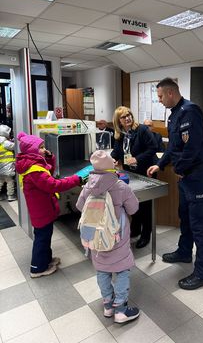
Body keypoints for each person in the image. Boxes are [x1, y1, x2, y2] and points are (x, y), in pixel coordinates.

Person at [147, 78, 203, 290]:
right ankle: (184, 252)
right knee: (185, 217)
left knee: (201, 226)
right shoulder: (175, 114)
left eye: (159, 96)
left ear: (170, 93)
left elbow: (191, 149)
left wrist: (179, 169)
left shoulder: (189, 111)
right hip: (186, 177)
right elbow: (174, 146)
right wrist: (160, 164)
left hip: (198, 177)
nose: (159, 101)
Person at [76, 150, 140, 323]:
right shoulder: (120, 186)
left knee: (102, 271)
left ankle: (108, 306)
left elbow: (79, 206)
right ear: (111, 166)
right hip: (116, 236)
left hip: (94, 236)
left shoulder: (88, 186)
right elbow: (134, 208)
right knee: (122, 270)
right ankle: (121, 309)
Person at [15, 132, 82, 278]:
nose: (44, 149)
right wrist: (75, 179)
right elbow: (52, 184)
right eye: (41, 147)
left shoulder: (32, 163)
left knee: (45, 237)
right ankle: (37, 268)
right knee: (42, 239)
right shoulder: (34, 170)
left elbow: (47, 173)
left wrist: (50, 158)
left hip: (42, 208)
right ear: (32, 150)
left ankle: (46, 261)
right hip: (42, 211)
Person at [111, 107, 156, 249]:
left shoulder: (142, 130)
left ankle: (146, 234)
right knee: (132, 202)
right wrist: (110, 159)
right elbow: (117, 151)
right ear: (119, 121)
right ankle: (135, 228)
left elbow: (153, 148)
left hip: (146, 171)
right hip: (131, 173)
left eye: (129, 115)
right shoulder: (120, 134)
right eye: (123, 117)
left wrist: (137, 158)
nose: (128, 118)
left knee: (145, 205)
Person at [0, 124, 16, 201]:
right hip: (7, 166)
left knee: (1, 181)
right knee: (9, 181)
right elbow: (14, 146)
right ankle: (10, 195)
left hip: (0, 166)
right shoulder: (5, 142)